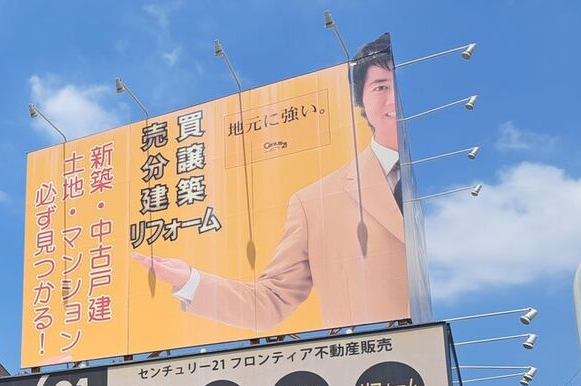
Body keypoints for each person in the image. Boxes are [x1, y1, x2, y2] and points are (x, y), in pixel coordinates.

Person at [132, 34, 408, 331]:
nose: (394, 98)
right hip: (374, 357)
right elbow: (271, 301)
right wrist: (191, 280)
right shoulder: (314, 202)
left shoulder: (444, 165)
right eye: (381, 86)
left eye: (403, 81)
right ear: (361, 100)